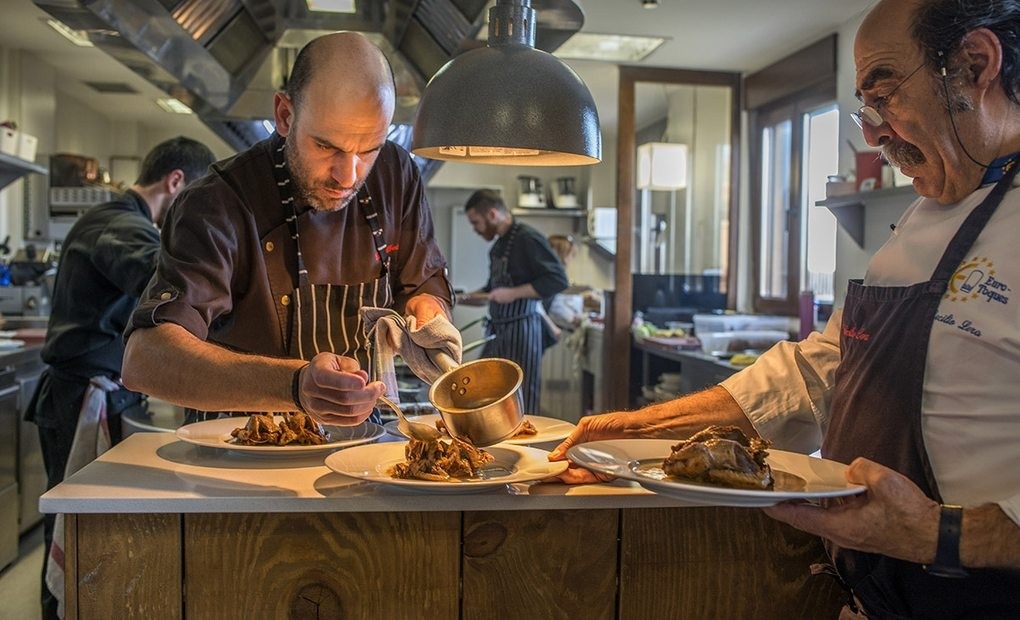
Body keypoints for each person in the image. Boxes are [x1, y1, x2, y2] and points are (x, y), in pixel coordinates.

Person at [549, 0, 1020, 616]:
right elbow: (823, 370)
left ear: (976, 63)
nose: (872, 131)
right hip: (875, 597)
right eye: (865, 108)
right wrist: (634, 435)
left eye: (884, 94)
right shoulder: (923, 214)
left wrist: (938, 533)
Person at [120, 32, 454, 428]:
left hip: (361, 447)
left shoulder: (396, 174)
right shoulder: (217, 202)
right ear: (284, 115)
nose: (348, 176)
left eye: (368, 149)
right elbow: (145, 360)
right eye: (327, 146)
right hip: (238, 455)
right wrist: (294, 385)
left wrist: (429, 315)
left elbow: (422, 282)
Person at [25, 135, 217, 620]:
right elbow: (163, 283)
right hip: (80, 397)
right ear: (176, 183)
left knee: (85, 520)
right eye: (195, 200)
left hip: (92, 392)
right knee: (72, 523)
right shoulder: (119, 226)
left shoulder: (116, 220)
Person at [462, 189, 568, 413]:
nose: (475, 230)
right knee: (484, 391)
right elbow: (491, 291)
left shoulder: (527, 238)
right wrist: (458, 297)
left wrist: (513, 293)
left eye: (476, 223)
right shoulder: (498, 247)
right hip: (499, 332)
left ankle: (526, 447)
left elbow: (558, 279)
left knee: (522, 398)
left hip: (523, 332)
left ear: (492, 214)